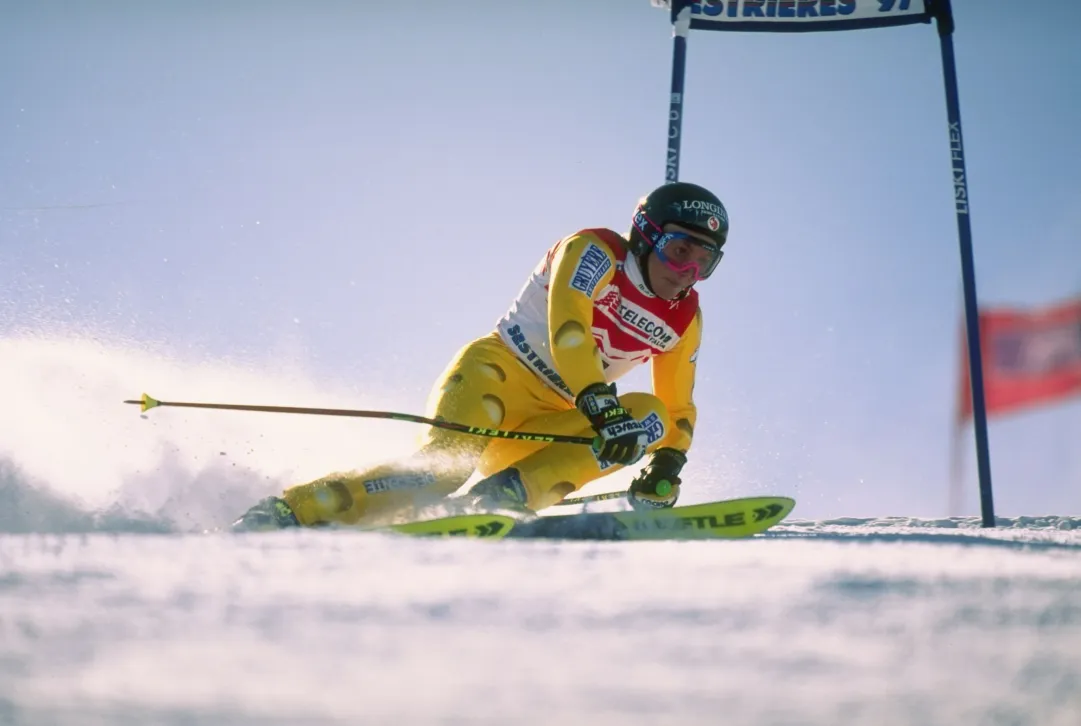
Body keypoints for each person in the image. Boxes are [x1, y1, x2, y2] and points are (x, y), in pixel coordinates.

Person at [233, 181, 728, 531]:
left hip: (551, 422)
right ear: (645, 235)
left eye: (705, 260)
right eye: (679, 250)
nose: (688, 271)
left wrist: (666, 465)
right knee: (442, 472)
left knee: (649, 417)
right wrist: (600, 401)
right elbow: (570, 329)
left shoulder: (685, 318)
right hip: (495, 378)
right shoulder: (594, 252)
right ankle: (288, 511)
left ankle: (507, 496)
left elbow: (678, 407)